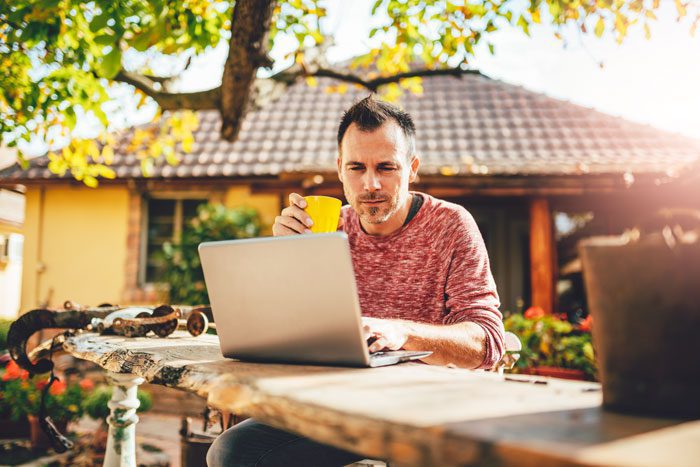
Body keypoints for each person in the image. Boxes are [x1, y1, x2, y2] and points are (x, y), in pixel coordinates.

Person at [207, 96, 504, 467]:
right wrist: (285, 263)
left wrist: (402, 333)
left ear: (412, 169)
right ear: (339, 170)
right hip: (339, 405)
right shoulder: (327, 228)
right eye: (356, 168)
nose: (370, 184)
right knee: (232, 451)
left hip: (424, 412)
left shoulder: (452, 226)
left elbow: (488, 342)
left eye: (386, 167)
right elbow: (300, 334)